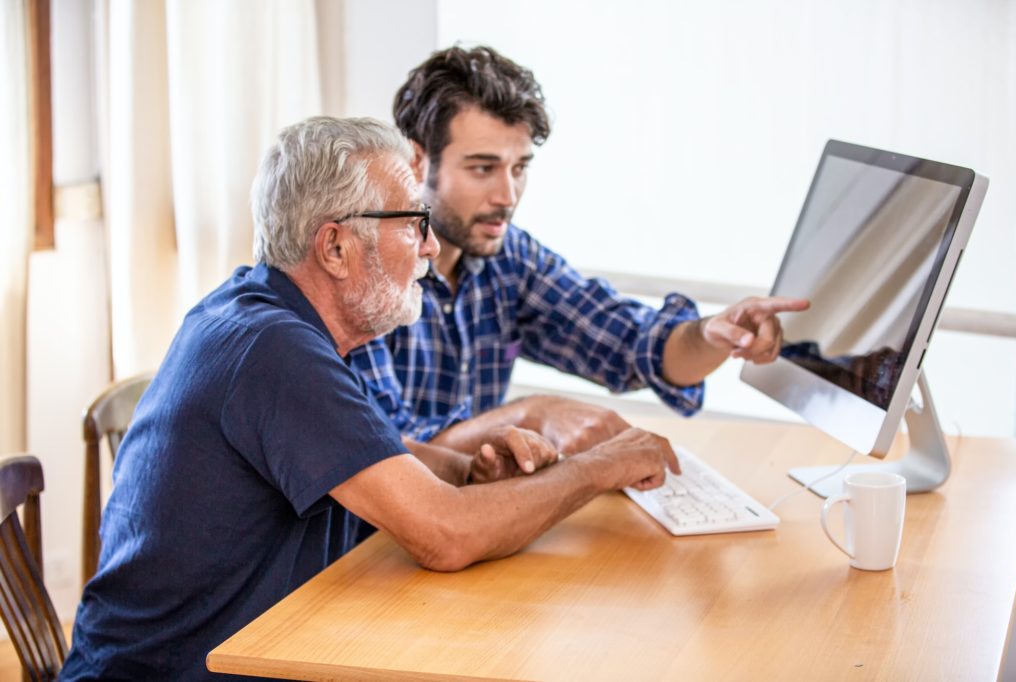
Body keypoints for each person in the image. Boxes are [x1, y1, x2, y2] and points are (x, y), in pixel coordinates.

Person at [60, 116, 679, 680]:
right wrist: (603, 466)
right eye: (414, 224)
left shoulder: (266, 316)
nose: (432, 247)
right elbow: (446, 537)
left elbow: (362, 456)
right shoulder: (274, 350)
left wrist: (467, 468)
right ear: (334, 247)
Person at [348, 45, 809, 457]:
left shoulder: (508, 259)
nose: (507, 195)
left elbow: (632, 345)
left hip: (470, 522)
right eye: (483, 168)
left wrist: (712, 333)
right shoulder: (363, 273)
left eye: (520, 168)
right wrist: (531, 415)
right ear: (416, 160)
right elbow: (388, 451)